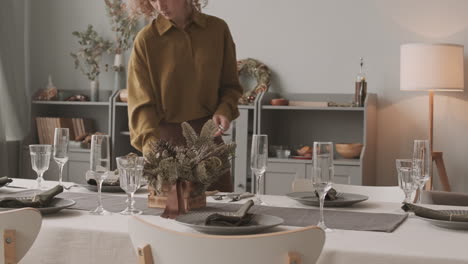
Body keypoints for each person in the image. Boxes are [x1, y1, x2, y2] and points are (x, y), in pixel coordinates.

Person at [127, 0, 242, 191]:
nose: (160, 5)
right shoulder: (146, 39)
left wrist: (224, 110)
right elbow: (141, 104)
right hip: (165, 147)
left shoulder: (217, 29)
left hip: (210, 144)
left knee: (222, 216)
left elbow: (230, 85)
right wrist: (153, 151)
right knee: (166, 218)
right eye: (152, 0)